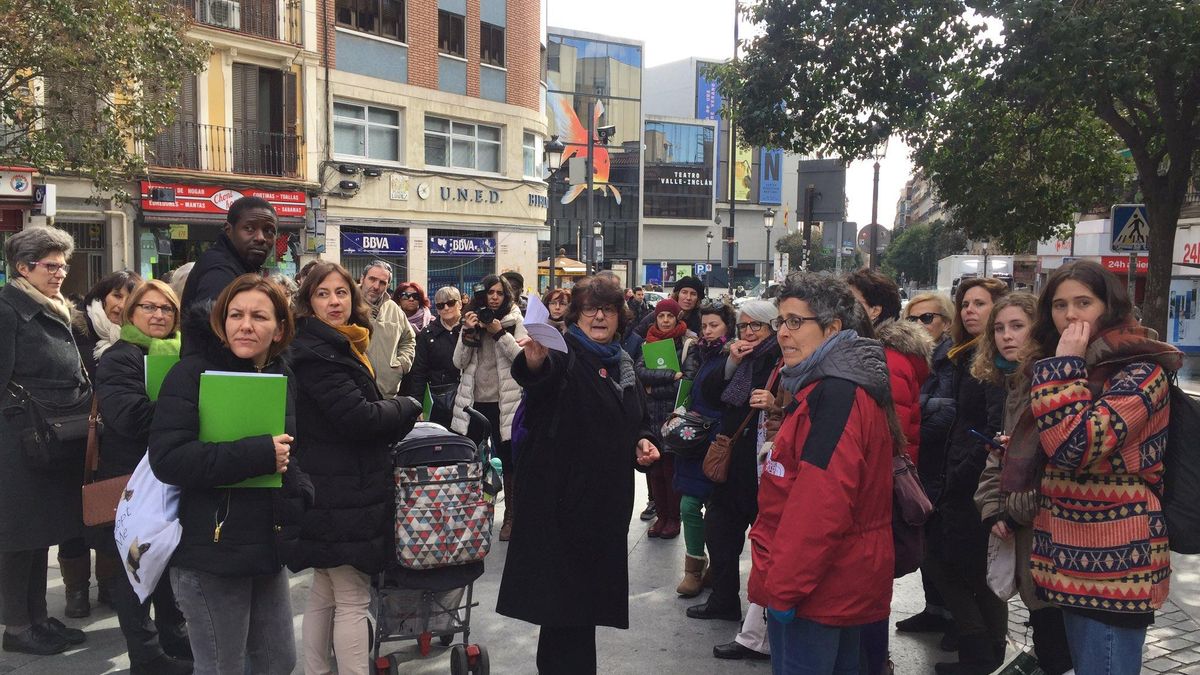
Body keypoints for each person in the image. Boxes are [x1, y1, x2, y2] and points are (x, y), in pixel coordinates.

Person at [496, 274, 660, 674]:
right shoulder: (564, 352)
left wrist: (641, 438)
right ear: (576, 314)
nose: (599, 316)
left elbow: (632, 415)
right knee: (565, 613)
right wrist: (533, 361)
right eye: (590, 308)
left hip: (601, 510)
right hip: (562, 509)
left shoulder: (620, 360)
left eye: (608, 309)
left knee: (577, 613)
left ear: (620, 316)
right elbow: (540, 377)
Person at [149, 275, 312, 675]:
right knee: (222, 667)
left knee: (278, 662)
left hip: (266, 546)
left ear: (279, 329)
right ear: (221, 323)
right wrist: (258, 453)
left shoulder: (282, 375)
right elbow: (169, 459)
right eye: (235, 315)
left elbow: (289, 450)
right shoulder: (191, 374)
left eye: (259, 316)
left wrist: (301, 489)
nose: (246, 325)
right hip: (210, 552)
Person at [1026, 261, 1178, 674]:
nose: (1071, 315)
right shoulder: (1078, 368)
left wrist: (1064, 367)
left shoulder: (1142, 371)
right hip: (1068, 556)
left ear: (1109, 307)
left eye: (1083, 302)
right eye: (1059, 305)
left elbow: (1076, 446)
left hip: (1116, 561)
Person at [749, 272, 900, 674]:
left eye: (796, 322)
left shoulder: (836, 394)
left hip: (818, 589)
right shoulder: (830, 386)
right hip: (832, 582)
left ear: (833, 327)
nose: (783, 333)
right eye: (781, 321)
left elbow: (820, 505)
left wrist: (783, 589)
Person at [288, 262, 421, 675]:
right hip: (339, 489)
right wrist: (405, 405)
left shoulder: (337, 343)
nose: (334, 301)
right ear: (308, 301)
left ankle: (315, 670)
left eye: (341, 293)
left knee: (326, 592)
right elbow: (358, 418)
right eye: (323, 293)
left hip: (334, 484)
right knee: (352, 598)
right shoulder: (318, 352)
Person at [969, 293, 1073, 675]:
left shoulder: (1046, 382)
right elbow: (1001, 456)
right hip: (1028, 540)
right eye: (999, 328)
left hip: (1051, 544)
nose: (1005, 336)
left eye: (1017, 326)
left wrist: (1008, 512)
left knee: (1057, 644)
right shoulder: (1016, 381)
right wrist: (992, 507)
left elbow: (1052, 466)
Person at [93, 279, 192, 674]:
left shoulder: (183, 353)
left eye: (167, 308)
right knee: (133, 566)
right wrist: (184, 413)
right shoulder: (120, 357)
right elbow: (128, 416)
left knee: (167, 559)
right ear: (131, 312)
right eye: (149, 307)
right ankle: (146, 655)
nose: (158, 315)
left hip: (170, 474)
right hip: (131, 479)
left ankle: (172, 636)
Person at [0, 227, 90, 655]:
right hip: (18, 439)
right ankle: (18, 628)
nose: (60, 273)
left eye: (63, 265)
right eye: (50, 265)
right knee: (17, 538)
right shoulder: (6, 309)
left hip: (47, 435)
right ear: (23, 267)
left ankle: (38, 617)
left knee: (38, 535)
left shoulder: (52, 305)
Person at [845, 267, 932, 674]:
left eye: (852, 299)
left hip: (878, 488)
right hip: (875, 485)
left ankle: (873, 661)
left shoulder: (887, 358)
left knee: (870, 583)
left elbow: (886, 436)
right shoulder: (877, 352)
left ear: (875, 309)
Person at [927, 276, 1010, 674]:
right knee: (962, 563)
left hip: (974, 478)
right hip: (962, 471)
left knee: (956, 562)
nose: (970, 310)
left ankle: (982, 649)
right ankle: (984, 649)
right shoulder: (968, 353)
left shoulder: (993, 360)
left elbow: (994, 429)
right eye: (965, 304)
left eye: (980, 303)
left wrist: (963, 472)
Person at [688, 299, 781, 623]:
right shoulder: (739, 356)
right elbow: (709, 394)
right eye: (744, 325)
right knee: (720, 532)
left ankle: (764, 615)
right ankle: (723, 601)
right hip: (732, 464)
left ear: (773, 327)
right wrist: (730, 363)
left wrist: (775, 404)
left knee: (768, 545)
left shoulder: (782, 359)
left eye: (757, 325)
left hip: (763, 466)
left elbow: (801, 404)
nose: (749, 332)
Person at [59, 269, 143, 619]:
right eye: (116, 295)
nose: (121, 305)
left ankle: (109, 583)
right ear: (102, 296)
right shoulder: (78, 330)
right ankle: (76, 590)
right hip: (81, 434)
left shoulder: (137, 338)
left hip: (117, 440)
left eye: (129, 297)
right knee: (75, 514)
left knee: (110, 510)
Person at [897, 292, 959, 647]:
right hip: (920, 461)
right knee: (925, 541)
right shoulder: (914, 356)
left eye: (927, 318)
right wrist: (924, 406)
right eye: (913, 319)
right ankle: (934, 609)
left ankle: (958, 620)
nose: (919, 325)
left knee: (941, 545)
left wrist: (916, 414)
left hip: (940, 463)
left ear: (946, 323)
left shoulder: (948, 359)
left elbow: (949, 412)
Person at [451, 275, 527, 541]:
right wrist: (467, 332)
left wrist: (500, 333)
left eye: (499, 293)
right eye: (490, 293)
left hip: (503, 403)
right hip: (473, 402)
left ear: (506, 297)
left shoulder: (514, 321)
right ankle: (467, 513)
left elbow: (521, 359)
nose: (494, 297)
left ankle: (511, 516)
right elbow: (458, 362)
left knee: (508, 461)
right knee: (468, 459)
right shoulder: (472, 320)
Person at [675, 301, 733, 598]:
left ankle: (714, 566)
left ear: (728, 327)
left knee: (716, 509)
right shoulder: (699, 350)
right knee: (688, 505)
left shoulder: (732, 355)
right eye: (705, 325)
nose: (708, 331)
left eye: (715, 325)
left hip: (718, 439)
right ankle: (693, 567)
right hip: (694, 436)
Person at [179, 196, 277, 355]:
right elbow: (210, 331)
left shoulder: (236, 266)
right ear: (228, 230)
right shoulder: (220, 269)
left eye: (269, 231)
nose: (261, 238)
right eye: (249, 228)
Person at [633, 298, 697, 540]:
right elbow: (640, 373)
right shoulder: (648, 342)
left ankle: (673, 518)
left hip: (674, 417)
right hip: (651, 417)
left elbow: (686, 382)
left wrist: (654, 386)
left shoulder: (688, 344)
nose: (666, 320)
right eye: (662, 316)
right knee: (655, 471)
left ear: (677, 318)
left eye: (670, 316)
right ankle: (661, 515)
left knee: (671, 471)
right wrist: (670, 375)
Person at [401, 286, 464, 427]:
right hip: (440, 400)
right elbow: (419, 372)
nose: (446, 308)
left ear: (460, 303)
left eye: (451, 303)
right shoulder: (428, 333)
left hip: (469, 397)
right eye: (441, 305)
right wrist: (417, 406)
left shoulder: (471, 328)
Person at [358, 260, 416, 398]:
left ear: (388, 285)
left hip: (387, 395)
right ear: (362, 278)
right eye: (372, 279)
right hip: (354, 394)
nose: (376, 286)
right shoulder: (347, 305)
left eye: (382, 282)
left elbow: (408, 340)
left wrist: (401, 365)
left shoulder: (393, 308)